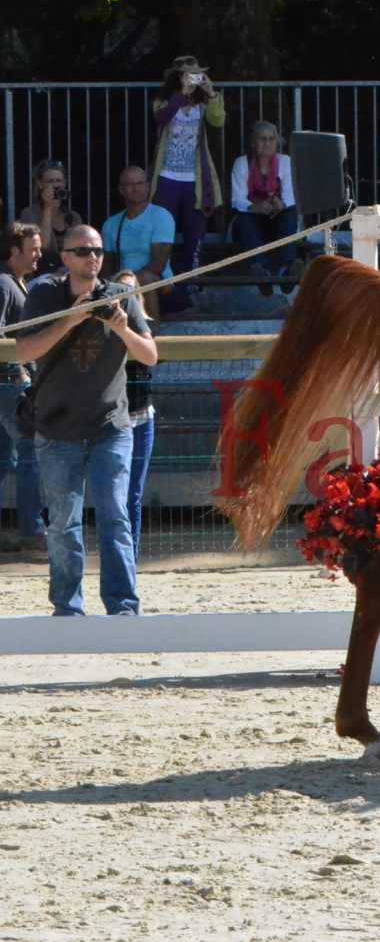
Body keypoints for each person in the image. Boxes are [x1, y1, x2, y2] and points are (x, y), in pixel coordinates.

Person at [16, 228, 157, 616]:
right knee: (63, 525)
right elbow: (23, 350)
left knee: (115, 515)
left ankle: (124, 607)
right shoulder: (45, 295)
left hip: (110, 426)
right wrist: (71, 319)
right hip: (56, 429)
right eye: (81, 251)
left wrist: (122, 327)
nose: (91, 257)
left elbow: (149, 356)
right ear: (65, 257)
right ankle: (67, 607)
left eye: (97, 250)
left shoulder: (119, 295)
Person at [150, 55, 225, 305]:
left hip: (196, 179)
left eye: (196, 74)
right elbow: (161, 118)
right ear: (177, 77)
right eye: (187, 74)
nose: (192, 78)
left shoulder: (204, 102)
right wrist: (181, 94)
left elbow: (218, 120)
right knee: (164, 233)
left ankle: (192, 285)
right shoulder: (164, 100)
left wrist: (211, 91)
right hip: (167, 177)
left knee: (195, 236)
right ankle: (164, 286)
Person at [0, 223, 45, 551]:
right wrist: (19, 372)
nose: (38, 255)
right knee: (30, 455)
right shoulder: (4, 284)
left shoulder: (16, 283)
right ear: (13, 252)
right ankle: (33, 530)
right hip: (10, 384)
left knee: (6, 458)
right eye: (32, 250)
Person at [112, 269, 156, 555]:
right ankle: (117, 552)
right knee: (115, 494)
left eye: (131, 289)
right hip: (114, 419)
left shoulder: (148, 327)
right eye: (121, 289)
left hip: (142, 414)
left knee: (134, 494)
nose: (126, 293)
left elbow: (152, 359)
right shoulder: (106, 326)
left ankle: (132, 554)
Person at [229, 120, 300, 295]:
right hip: (251, 224)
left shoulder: (285, 162)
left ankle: (287, 269)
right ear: (253, 143)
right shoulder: (241, 163)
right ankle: (260, 270)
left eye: (271, 139)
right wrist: (257, 207)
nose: (267, 143)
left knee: (290, 213)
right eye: (262, 139)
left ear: (277, 142)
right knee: (243, 216)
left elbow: (291, 198)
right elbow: (237, 200)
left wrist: (280, 205)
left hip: (277, 222)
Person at [100, 166, 175, 321]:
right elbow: (106, 266)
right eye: (130, 184)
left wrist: (128, 281)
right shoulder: (111, 224)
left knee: (146, 279)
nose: (136, 189)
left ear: (148, 186)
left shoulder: (161, 216)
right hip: (122, 284)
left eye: (140, 183)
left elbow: (158, 264)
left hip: (158, 281)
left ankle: (152, 331)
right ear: (121, 189)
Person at [17, 160, 84, 275]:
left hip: (69, 277)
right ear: (40, 184)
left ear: (65, 183)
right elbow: (43, 246)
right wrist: (48, 208)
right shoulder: (29, 214)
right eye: (50, 181)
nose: (56, 185)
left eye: (59, 181)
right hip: (40, 277)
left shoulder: (74, 217)